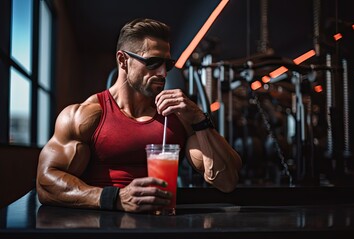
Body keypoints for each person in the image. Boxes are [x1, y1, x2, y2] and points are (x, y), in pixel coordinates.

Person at [36, 18, 242, 213]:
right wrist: (114, 198)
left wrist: (199, 119)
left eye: (167, 64)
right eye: (153, 62)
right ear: (123, 60)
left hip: (163, 225)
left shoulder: (178, 118)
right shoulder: (84, 116)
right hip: (103, 229)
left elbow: (227, 181)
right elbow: (46, 183)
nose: (163, 73)